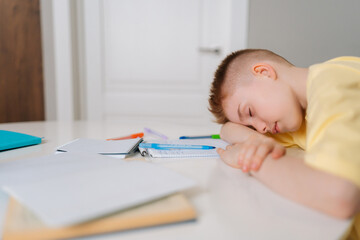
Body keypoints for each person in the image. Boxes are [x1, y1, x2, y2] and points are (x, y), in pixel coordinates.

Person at [208, 49, 360, 239]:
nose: (261, 129)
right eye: (250, 126)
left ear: (264, 72)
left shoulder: (333, 87)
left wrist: (250, 158)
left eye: (250, 112)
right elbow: (227, 129)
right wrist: (254, 141)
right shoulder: (299, 113)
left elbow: (340, 196)